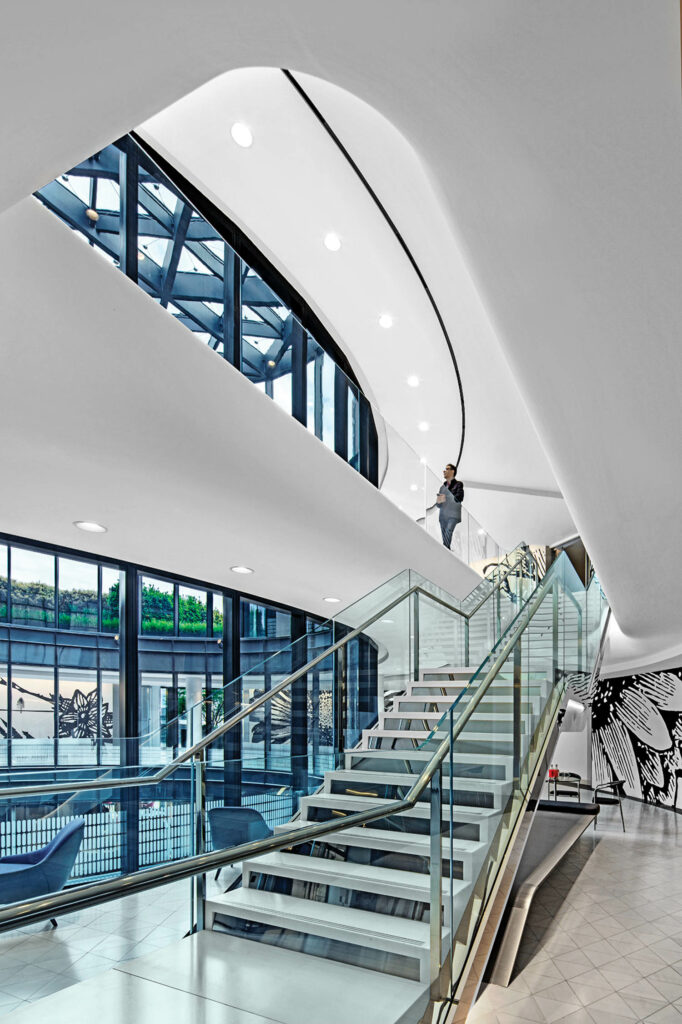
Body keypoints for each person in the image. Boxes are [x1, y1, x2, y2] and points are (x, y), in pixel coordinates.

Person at [436, 463, 464, 549]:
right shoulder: (442, 487)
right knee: (444, 536)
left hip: (453, 514)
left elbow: (459, 498)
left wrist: (446, 497)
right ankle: (446, 550)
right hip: (443, 515)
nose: (444, 471)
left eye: (447, 469)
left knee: (448, 531)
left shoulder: (458, 484)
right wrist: (439, 501)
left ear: (452, 471)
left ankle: (445, 551)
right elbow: (438, 505)